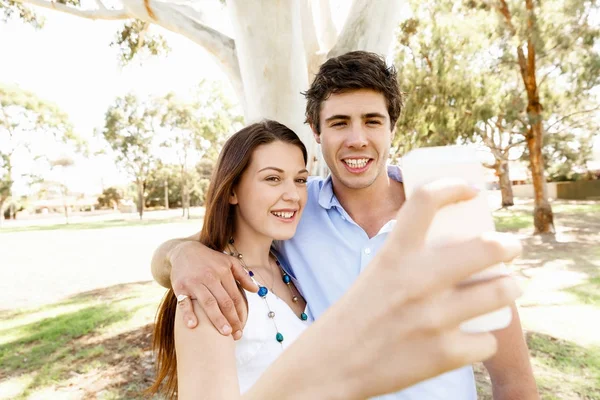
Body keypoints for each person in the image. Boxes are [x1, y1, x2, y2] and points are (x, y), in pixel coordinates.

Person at [151, 52, 539, 399]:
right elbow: (194, 249)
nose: (357, 139)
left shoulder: (447, 216)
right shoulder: (294, 210)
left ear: (392, 129)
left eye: (372, 121)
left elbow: (514, 380)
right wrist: (181, 253)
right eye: (339, 123)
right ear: (316, 132)